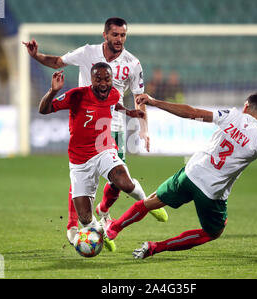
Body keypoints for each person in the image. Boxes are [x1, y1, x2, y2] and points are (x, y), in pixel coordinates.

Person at [104, 93, 257, 259]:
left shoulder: (231, 114)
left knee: (151, 201)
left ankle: (112, 228)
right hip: (212, 192)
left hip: (191, 172)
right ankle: (153, 247)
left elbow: (191, 113)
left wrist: (155, 101)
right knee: (212, 232)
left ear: (245, 107)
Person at [23, 18, 168, 245]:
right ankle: (80, 224)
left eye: (123, 36)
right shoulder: (87, 53)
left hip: (113, 128)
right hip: (83, 124)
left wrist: (143, 128)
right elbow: (57, 61)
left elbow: (137, 99)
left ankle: (115, 207)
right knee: (83, 175)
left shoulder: (132, 63)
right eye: (115, 35)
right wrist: (36, 57)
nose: (119, 40)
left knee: (119, 183)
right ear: (105, 35)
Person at [39, 63, 150, 250]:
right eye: (98, 79)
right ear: (91, 80)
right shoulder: (77, 95)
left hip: (103, 149)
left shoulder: (114, 93)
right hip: (79, 160)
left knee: (125, 183)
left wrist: (129, 112)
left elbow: (114, 104)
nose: (103, 83)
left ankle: (148, 202)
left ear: (111, 79)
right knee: (85, 218)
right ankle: (102, 233)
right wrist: (52, 91)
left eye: (107, 79)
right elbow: (44, 110)